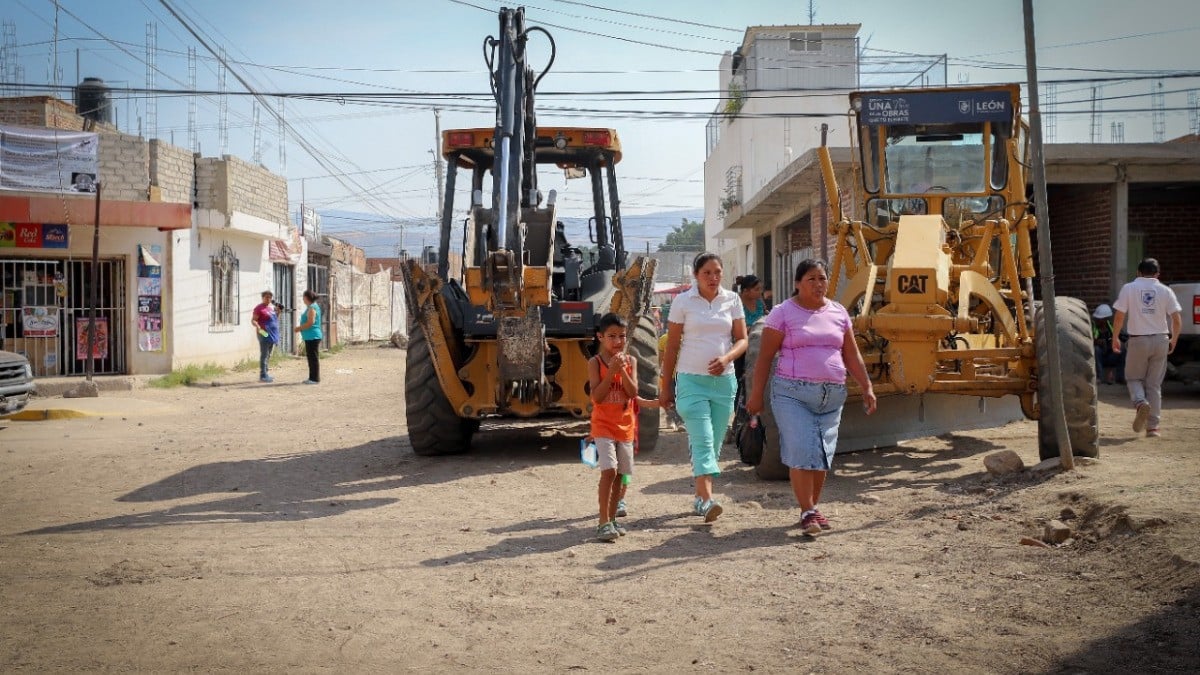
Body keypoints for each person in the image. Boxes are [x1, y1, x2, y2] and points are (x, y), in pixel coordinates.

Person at [745, 258, 877, 536]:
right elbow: (764, 358)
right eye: (811, 279)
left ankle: (812, 508)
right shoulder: (782, 313)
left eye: (822, 279)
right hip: (792, 394)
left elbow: (851, 355)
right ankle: (807, 510)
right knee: (801, 451)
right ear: (797, 283)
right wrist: (755, 397)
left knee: (821, 455)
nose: (818, 285)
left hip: (832, 396)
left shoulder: (839, 312)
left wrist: (866, 387)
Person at [661, 252, 748, 523]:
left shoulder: (732, 299)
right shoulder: (683, 302)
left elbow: (742, 339)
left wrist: (726, 359)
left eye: (717, 272)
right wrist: (666, 386)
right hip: (690, 381)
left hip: (724, 383)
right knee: (704, 439)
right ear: (696, 275)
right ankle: (707, 500)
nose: (713, 277)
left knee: (714, 444)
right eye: (707, 273)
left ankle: (701, 496)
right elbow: (672, 346)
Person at [1112, 258, 1182, 438]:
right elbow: (1176, 319)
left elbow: (1119, 316)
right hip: (1161, 339)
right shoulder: (1166, 291)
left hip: (1138, 340)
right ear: (1158, 274)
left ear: (1138, 272)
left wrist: (1115, 337)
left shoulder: (1129, 288)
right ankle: (1153, 428)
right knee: (1154, 384)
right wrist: (1173, 339)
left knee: (1134, 378)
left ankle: (1140, 402)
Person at [588, 313, 639, 542]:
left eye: (621, 336)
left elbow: (633, 392)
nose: (617, 341)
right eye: (612, 336)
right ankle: (602, 521)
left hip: (625, 426)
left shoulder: (631, 361)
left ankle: (612, 519)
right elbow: (597, 396)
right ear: (600, 337)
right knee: (608, 470)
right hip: (603, 426)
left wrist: (622, 372)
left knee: (621, 474)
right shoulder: (595, 363)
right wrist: (611, 372)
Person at [294, 290, 324, 385]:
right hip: (310, 337)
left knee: (313, 358)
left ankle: (315, 379)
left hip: (313, 336)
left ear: (307, 298)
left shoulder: (312, 308)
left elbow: (310, 322)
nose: (303, 299)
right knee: (311, 358)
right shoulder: (310, 307)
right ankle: (312, 378)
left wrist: (299, 328)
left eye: (303, 297)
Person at [250, 290, 280, 383]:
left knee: (269, 353)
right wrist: (258, 326)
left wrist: (279, 312)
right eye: (266, 297)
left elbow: (275, 319)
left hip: (273, 334)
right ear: (263, 298)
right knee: (264, 353)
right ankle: (263, 375)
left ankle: (266, 373)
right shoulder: (259, 308)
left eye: (270, 297)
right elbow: (253, 320)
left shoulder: (271, 308)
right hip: (263, 332)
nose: (268, 299)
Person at [1091, 303, 1125, 385]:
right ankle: (1099, 377)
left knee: (1122, 350)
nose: (1098, 320)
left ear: (1106, 319)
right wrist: (1097, 342)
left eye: (1100, 319)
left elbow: (1121, 336)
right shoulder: (1093, 327)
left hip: (1110, 356)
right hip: (1099, 358)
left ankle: (1120, 377)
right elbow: (1088, 339)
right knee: (1096, 349)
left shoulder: (1111, 327)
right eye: (1097, 318)